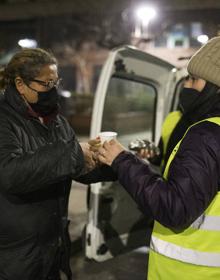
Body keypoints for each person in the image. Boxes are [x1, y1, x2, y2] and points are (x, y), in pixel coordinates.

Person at [93, 37, 220, 279]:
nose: (187, 86)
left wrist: (122, 159)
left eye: (194, 79)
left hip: (190, 272)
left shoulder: (207, 134)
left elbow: (175, 208)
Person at [0, 47, 98, 280]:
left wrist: (112, 161)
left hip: (52, 247)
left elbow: (71, 166)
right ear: (20, 84)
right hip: (15, 253)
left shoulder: (56, 121)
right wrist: (73, 153)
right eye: (46, 84)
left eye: (55, 82)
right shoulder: (4, 120)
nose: (52, 90)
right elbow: (10, 174)